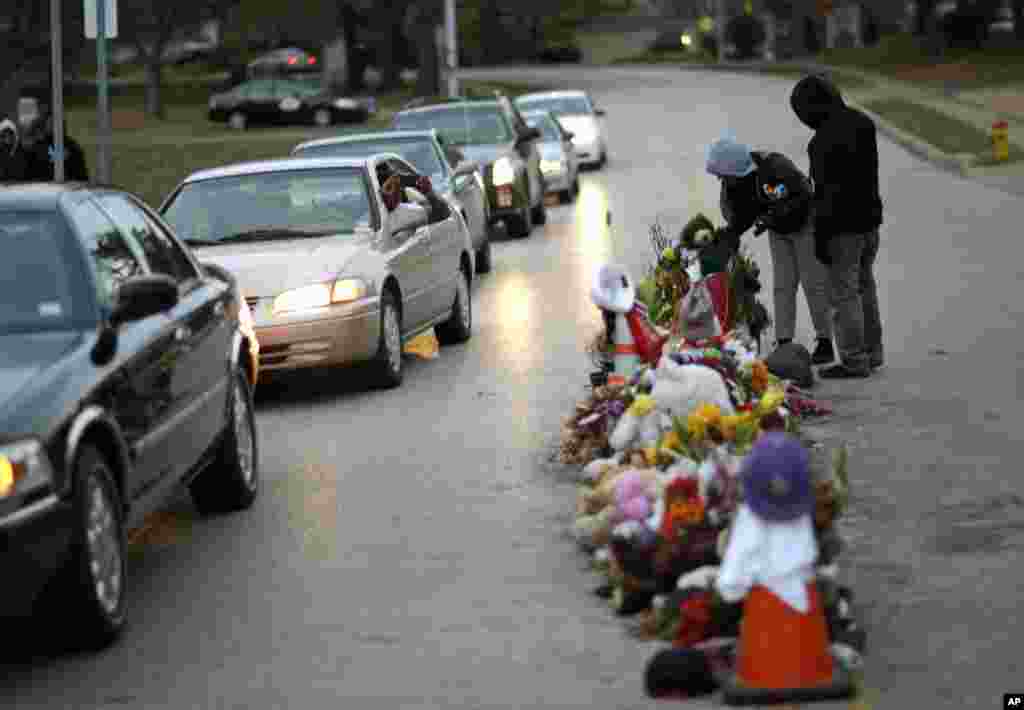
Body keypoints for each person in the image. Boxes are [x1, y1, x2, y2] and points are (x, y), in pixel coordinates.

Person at [705, 136, 835, 365]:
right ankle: (784, 342)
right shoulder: (736, 183)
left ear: (735, 169)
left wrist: (771, 216)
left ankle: (825, 342)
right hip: (778, 229)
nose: (720, 179)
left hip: (805, 225)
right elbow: (743, 214)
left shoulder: (775, 168)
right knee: (783, 285)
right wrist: (730, 234)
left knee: (813, 282)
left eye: (722, 175)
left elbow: (803, 196)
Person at [790, 74, 884, 379]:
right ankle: (872, 352)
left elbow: (826, 196)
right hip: (869, 222)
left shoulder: (822, 142)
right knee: (865, 287)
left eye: (803, 112)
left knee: (844, 295)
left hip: (842, 229)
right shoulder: (863, 123)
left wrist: (820, 238)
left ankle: (854, 360)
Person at [23, 112, 90, 182]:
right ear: (45, 125)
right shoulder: (36, 147)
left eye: (58, 122)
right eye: (51, 123)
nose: (55, 126)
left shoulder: (73, 147)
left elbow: (81, 176)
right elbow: (29, 174)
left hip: (68, 185)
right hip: (43, 186)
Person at [0, 118, 28, 182]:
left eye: (10, 134)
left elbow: (22, 171)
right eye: (4, 135)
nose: (7, 138)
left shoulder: (21, 151)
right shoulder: (2, 151)